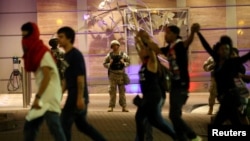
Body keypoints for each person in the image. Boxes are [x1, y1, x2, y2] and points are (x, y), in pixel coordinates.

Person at [57, 26, 107, 141]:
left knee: (63, 124)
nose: (58, 39)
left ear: (69, 38)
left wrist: (80, 98)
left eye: (61, 37)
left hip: (76, 96)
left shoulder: (76, 55)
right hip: (73, 95)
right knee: (82, 126)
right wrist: (59, 93)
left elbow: (80, 78)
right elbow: (66, 79)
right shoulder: (65, 57)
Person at [196, 25, 250, 125]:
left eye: (227, 49)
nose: (224, 51)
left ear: (229, 51)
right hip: (225, 97)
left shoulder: (232, 62)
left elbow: (246, 57)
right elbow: (207, 47)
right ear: (218, 50)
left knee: (219, 122)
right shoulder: (217, 60)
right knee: (235, 121)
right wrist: (198, 33)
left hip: (230, 97)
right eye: (222, 48)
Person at [21, 22, 66, 141]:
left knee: (53, 126)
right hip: (46, 93)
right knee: (31, 125)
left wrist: (38, 97)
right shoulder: (36, 52)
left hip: (49, 94)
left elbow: (47, 77)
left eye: (27, 36)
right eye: (23, 36)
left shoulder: (42, 52)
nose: (24, 40)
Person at [134, 30, 177, 141]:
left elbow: (152, 50)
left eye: (143, 49)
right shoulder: (144, 62)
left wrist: (146, 40)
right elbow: (137, 46)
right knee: (148, 120)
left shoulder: (152, 62)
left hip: (154, 96)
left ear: (148, 52)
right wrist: (138, 38)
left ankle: (177, 136)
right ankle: (176, 136)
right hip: (148, 96)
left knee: (148, 120)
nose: (140, 51)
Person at [103, 40, 130, 112]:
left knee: (122, 92)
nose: (115, 47)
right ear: (111, 47)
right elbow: (104, 63)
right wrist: (110, 64)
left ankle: (124, 106)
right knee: (112, 91)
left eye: (116, 45)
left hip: (121, 75)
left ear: (118, 46)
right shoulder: (109, 55)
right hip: (112, 75)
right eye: (113, 46)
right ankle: (111, 106)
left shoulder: (123, 55)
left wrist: (123, 63)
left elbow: (128, 62)